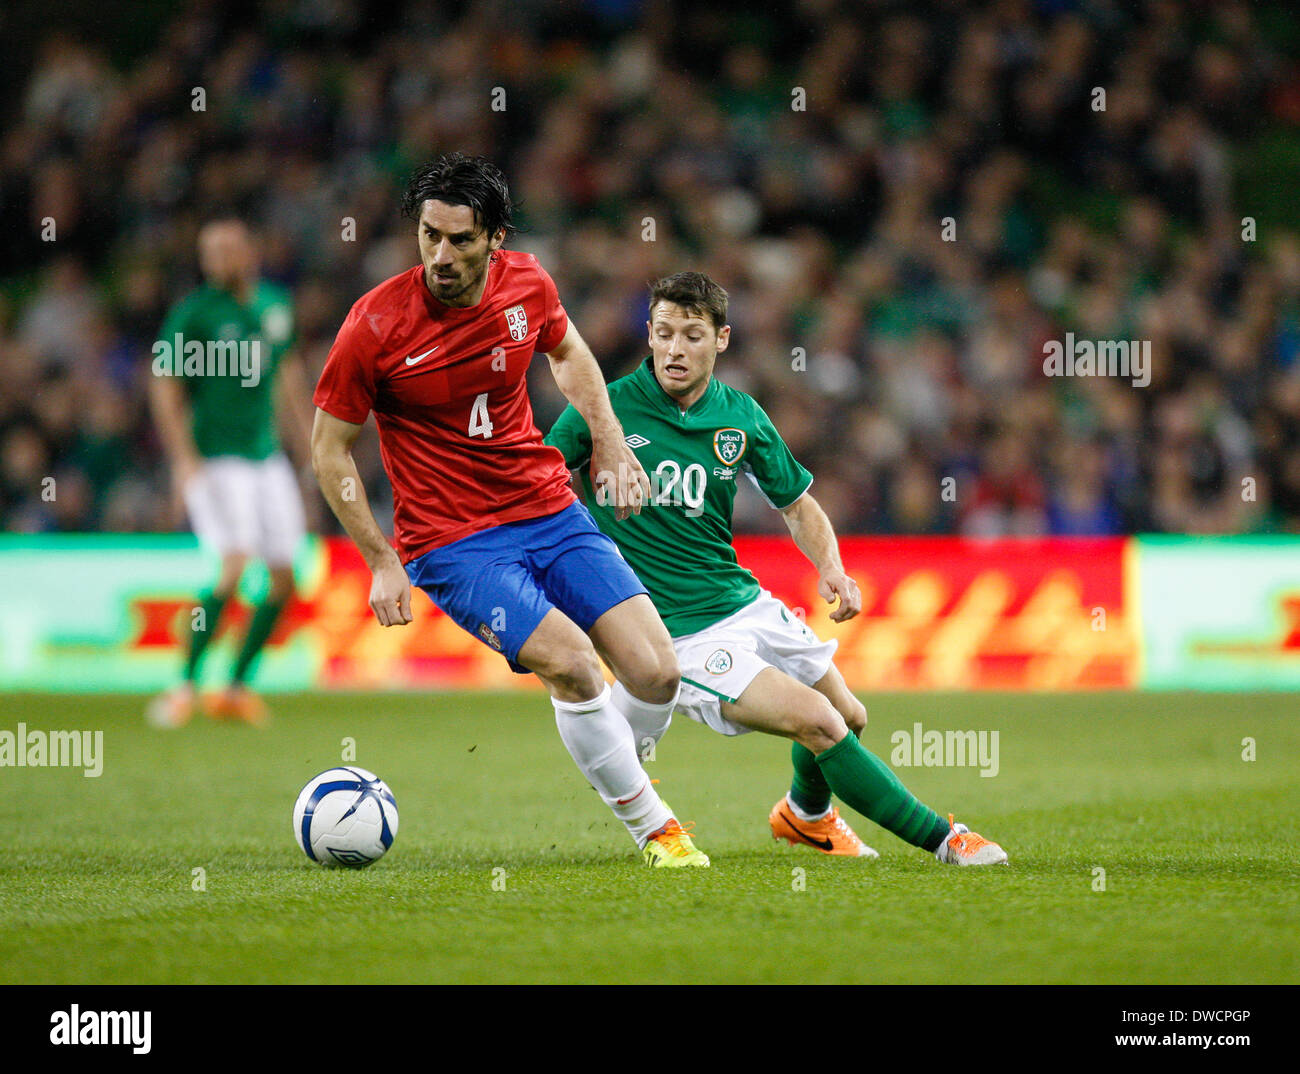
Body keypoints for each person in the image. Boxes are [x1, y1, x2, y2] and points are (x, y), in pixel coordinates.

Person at [310, 153, 707, 867]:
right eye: (429, 235)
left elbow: (571, 354)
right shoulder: (374, 325)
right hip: (454, 541)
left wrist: (611, 444)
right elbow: (329, 450)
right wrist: (380, 560)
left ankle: (609, 759)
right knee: (575, 665)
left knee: (658, 674)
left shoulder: (528, 282)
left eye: (460, 239)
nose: (441, 255)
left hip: (547, 508)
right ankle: (658, 830)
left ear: (495, 238)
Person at [545, 271, 1008, 866]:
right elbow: (541, 479)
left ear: (722, 340)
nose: (675, 349)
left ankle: (804, 816)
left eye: (691, 335)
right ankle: (945, 839)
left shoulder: (740, 416)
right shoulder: (605, 410)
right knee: (818, 723)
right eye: (663, 333)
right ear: (650, 336)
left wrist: (832, 568)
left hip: (741, 600)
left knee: (849, 716)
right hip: (676, 632)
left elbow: (796, 504)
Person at [146, 219, 312, 728]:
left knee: (285, 578)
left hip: (266, 458)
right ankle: (184, 685)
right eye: (208, 252)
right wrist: (183, 458)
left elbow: (286, 374)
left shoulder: (273, 307)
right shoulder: (193, 314)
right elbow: (165, 386)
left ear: (249, 252)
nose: (215, 260)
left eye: (225, 250)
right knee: (234, 565)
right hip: (217, 459)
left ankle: (236, 686)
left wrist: (307, 442)